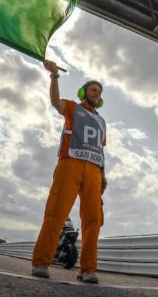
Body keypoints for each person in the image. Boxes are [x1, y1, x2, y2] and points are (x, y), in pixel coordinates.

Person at [31, 60, 107, 284]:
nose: (97, 93)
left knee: (93, 220)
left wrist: (103, 175)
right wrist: (54, 77)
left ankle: (87, 269)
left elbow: (100, 148)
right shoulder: (73, 107)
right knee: (56, 212)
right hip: (70, 163)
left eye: (99, 91)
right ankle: (41, 262)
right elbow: (55, 102)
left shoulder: (102, 121)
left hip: (94, 171)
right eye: (93, 89)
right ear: (84, 92)